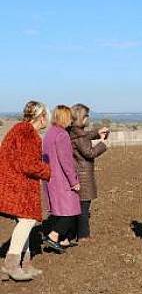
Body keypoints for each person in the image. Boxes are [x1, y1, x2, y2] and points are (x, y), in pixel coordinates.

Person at [0, 101, 51, 281]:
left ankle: (25, 263)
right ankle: (11, 264)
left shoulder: (21, 129)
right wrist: (48, 171)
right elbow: (28, 164)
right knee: (28, 220)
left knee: (25, 221)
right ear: (41, 116)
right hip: (17, 184)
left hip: (15, 181)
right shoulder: (28, 132)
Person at [42, 105, 82, 253]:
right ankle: (53, 237)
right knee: (70, 211)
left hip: (50, 179)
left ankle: (64, 240)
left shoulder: (49, 134)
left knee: (59, 211)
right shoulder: (62, 135)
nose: (71, 120)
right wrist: (74, 181)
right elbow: (67, 162)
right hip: (62, 180)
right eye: (70, 117)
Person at [69, 104, 109, 242]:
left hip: (79, 173)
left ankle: (74, 234)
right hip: (84, 175)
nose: (88, 118)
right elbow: (89, 152)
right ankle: (83, 236)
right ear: (81, 118)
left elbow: (85, 136)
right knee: (84, 208)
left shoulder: (74, 131)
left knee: (80, 206)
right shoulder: (79, 136)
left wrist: (98, 132)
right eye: (87, 116)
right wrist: (102, 144)